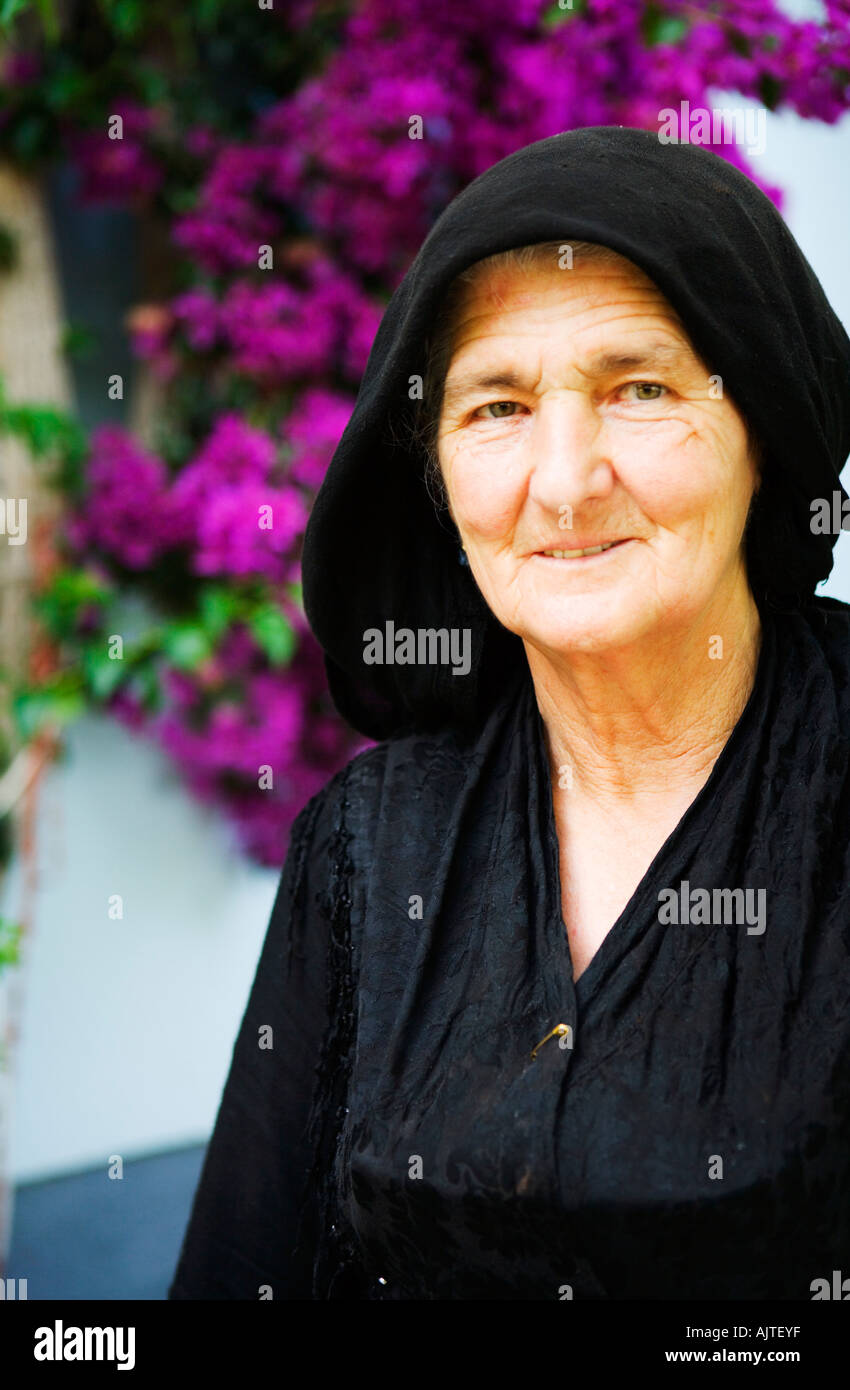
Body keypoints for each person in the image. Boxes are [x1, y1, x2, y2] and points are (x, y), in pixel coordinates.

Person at [169, 126, 850, 1300]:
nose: (565, 478)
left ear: (761, 432)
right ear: (437, 475)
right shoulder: (367, 848)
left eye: (638, 388)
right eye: (496, 407)